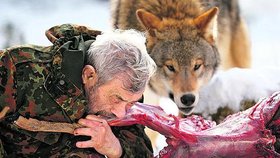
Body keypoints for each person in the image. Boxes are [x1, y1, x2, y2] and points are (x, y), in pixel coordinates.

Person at [0, 24, 156, 157]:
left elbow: (144, 150)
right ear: (89, 75)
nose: (121, 113)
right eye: (117, 98)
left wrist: (115, 148)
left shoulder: (124, 90)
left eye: (132, 103)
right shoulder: (16, 69)